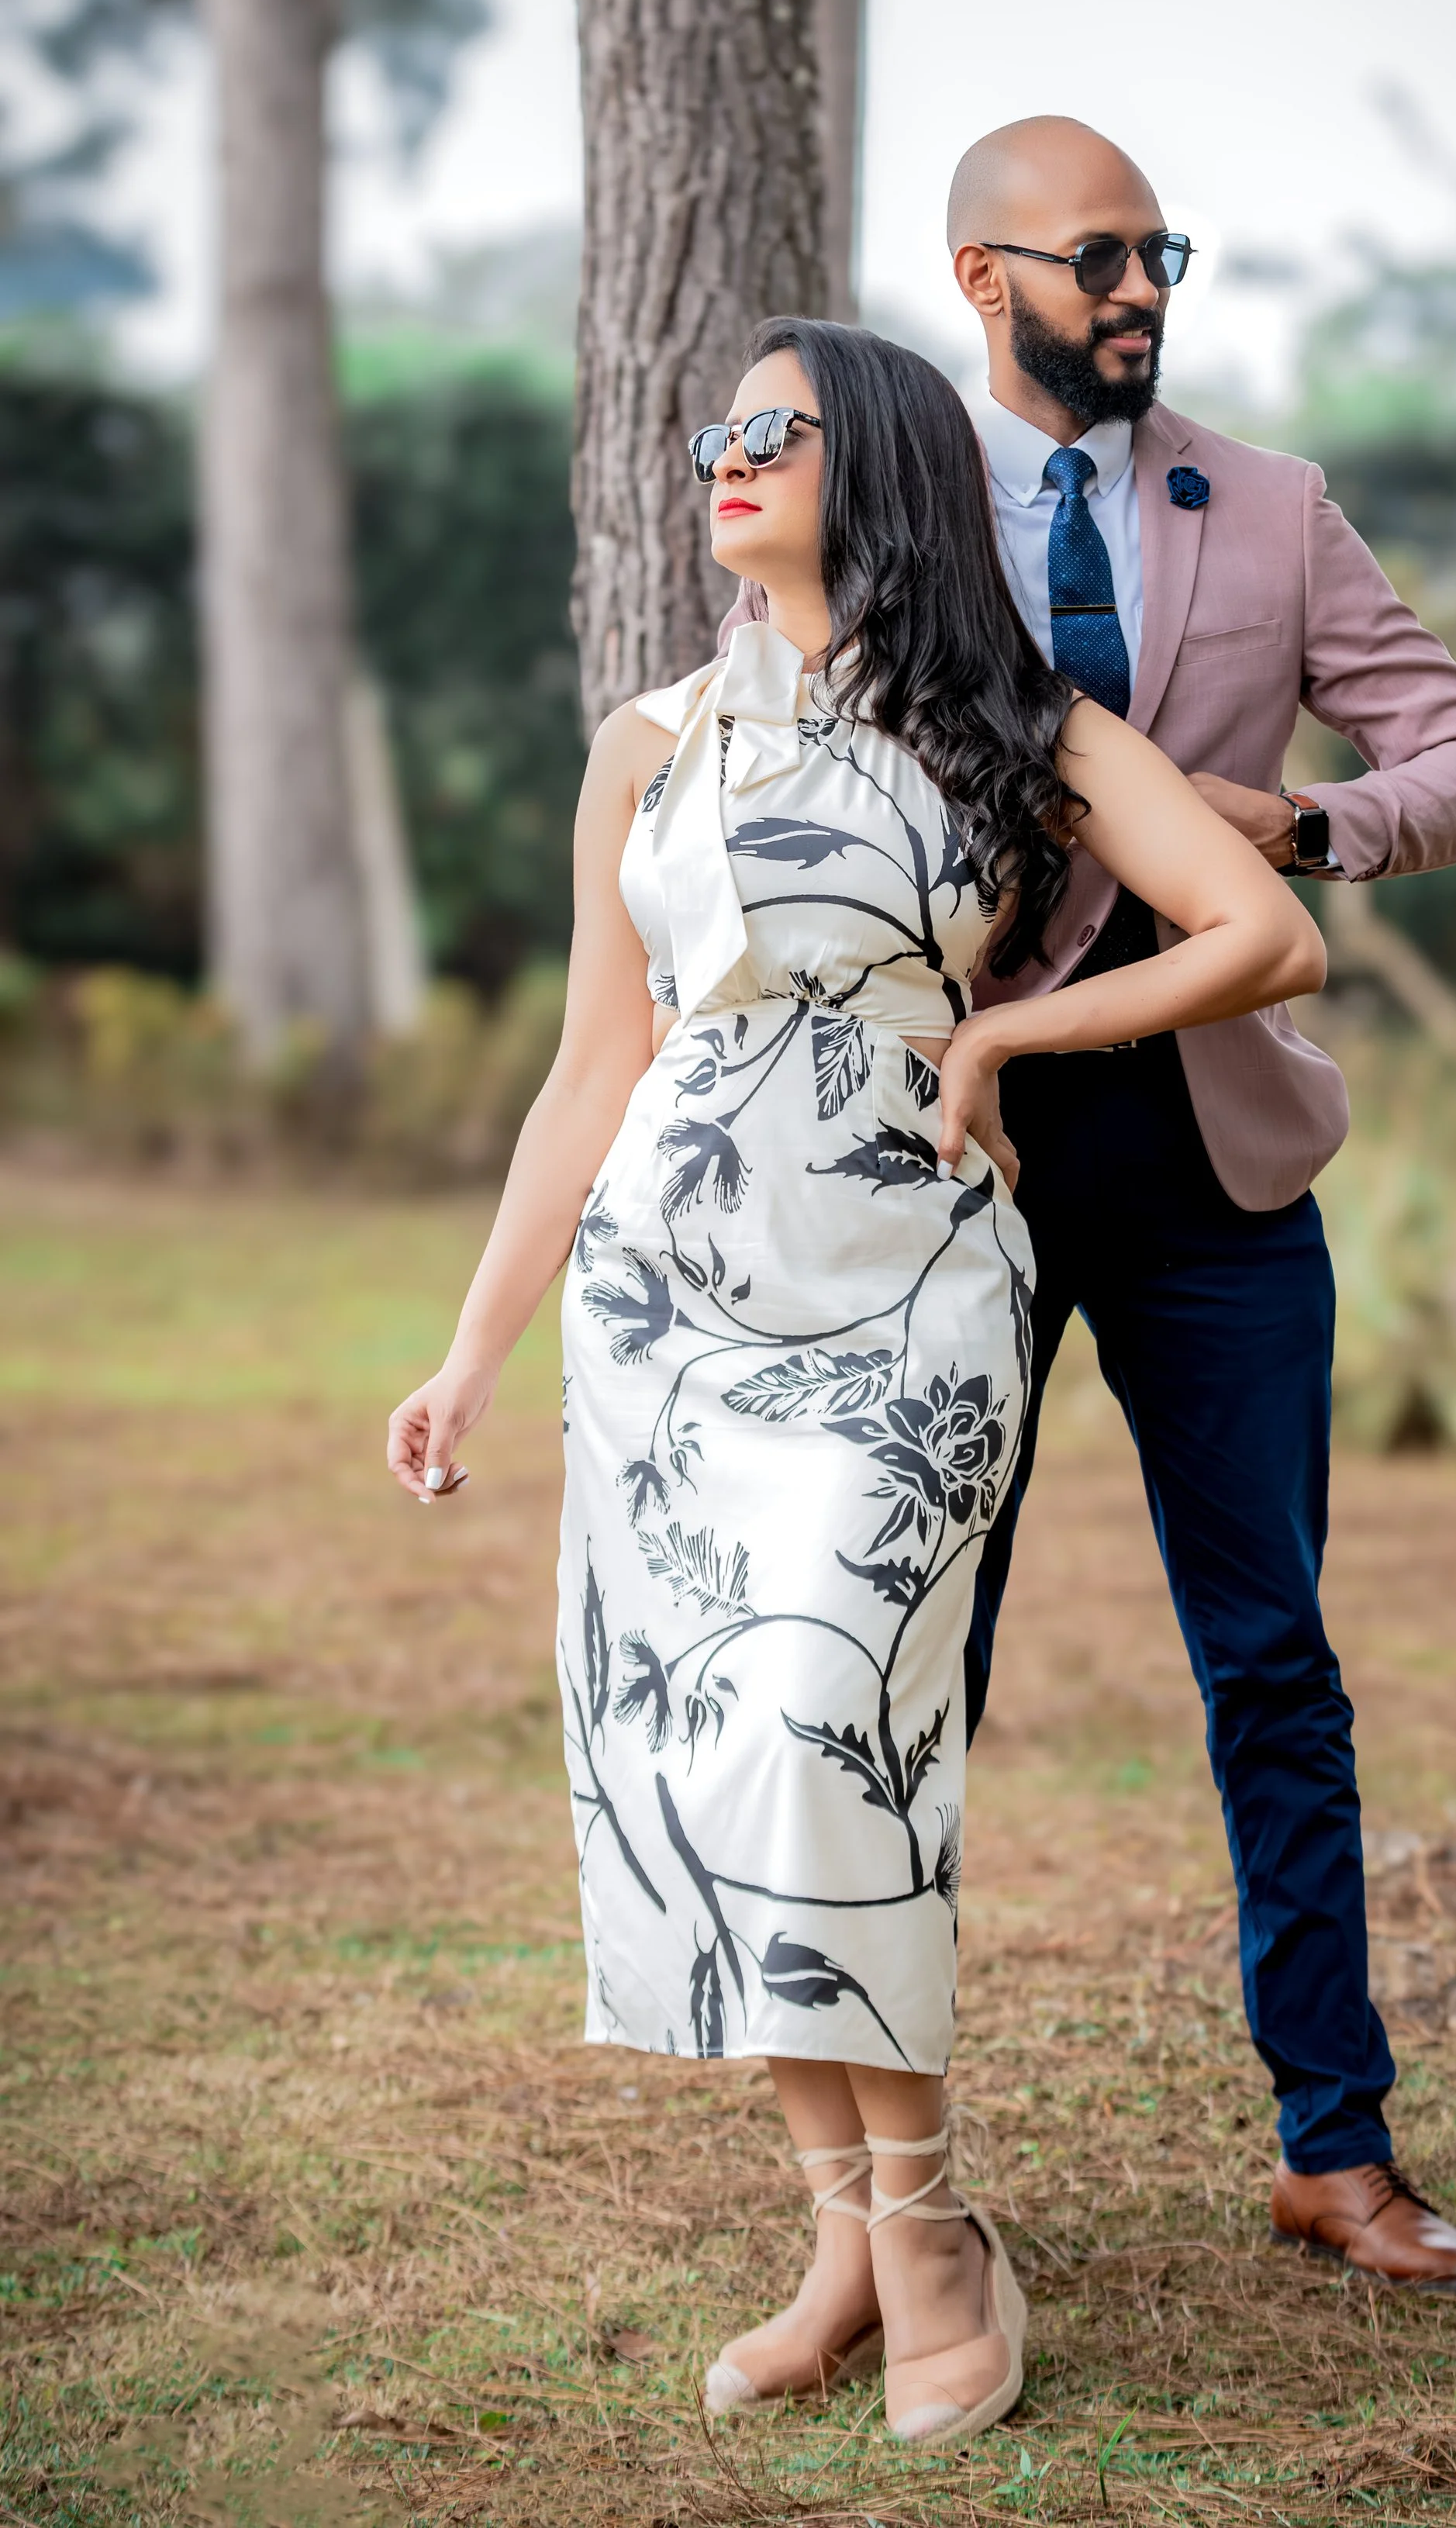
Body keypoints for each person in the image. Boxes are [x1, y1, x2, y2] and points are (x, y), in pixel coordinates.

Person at [386, 316, 1325, 2440]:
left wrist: (1003, 1038)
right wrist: (469, 1347)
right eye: (716, 433)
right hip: (665, 1311)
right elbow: (590, 1067)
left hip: (904, 1290)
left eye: (774, 433)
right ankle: (857, 2230)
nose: (729, 459)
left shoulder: (1019, 719)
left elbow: (1259, 932)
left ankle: (928, 2232)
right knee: (726, 1757)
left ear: (876, 459)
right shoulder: (642, 743)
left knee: (828, 1717)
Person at [950, 116, 1456, 2290]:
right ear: (977, 268)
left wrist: (1284, 826)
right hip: (959, 1157)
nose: (1137, 289)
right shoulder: (897, 500)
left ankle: (1336, 2142)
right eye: (1093, 254)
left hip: (1212, 1154)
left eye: (1159, 252)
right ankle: (886, 2185)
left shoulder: (1270, 506)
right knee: (922, 1659)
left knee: (1270, 1653)